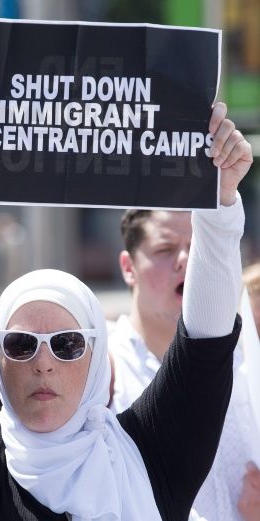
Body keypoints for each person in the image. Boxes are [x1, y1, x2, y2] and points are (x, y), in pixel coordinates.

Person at [0, 89, 251, 520]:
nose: (43, 363)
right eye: (21, 344)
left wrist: (220, 205)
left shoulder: (152, 460)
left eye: (66, 344)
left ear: (96, 359)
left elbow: (205, 344)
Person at [109, 200, 258, 520]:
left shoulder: (246, 365)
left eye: (197, 245)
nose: (186, 260)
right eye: (165, 249)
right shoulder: (101, 372)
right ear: (128, 267)